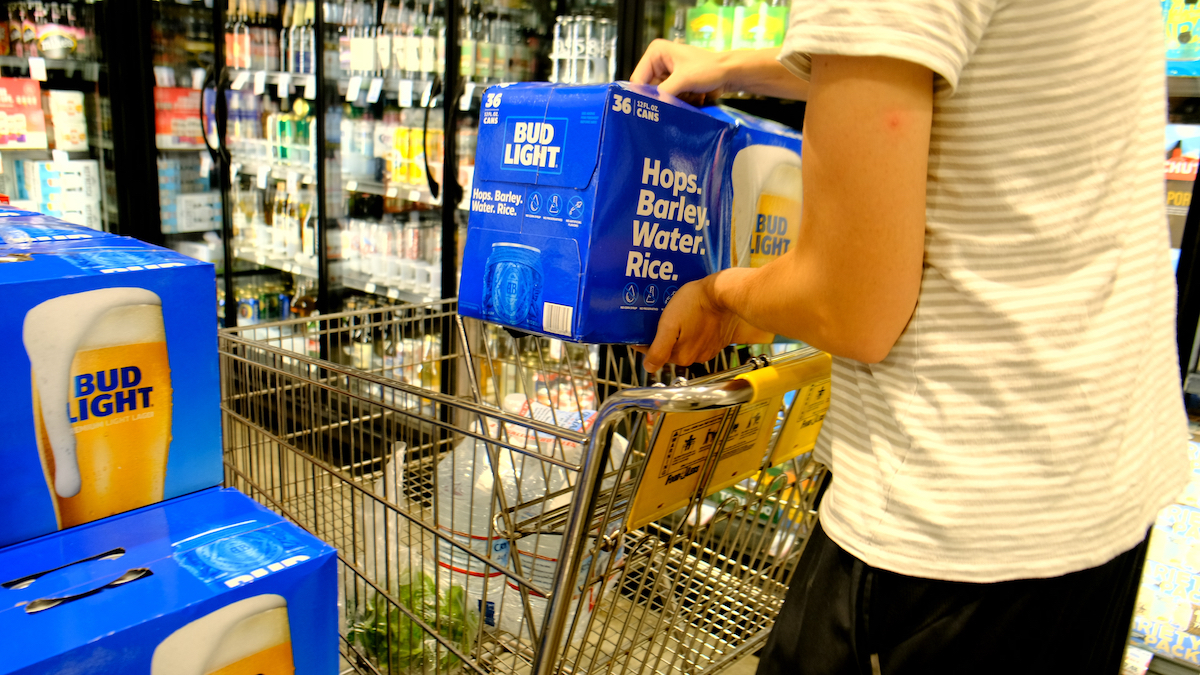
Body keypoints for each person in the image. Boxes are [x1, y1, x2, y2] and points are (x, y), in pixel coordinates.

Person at [631, 1, 1190, 672]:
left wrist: (722, 294)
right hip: (1096, 479)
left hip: (951, 519)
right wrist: (738, 66)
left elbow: (852, 305)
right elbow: (982, 72)